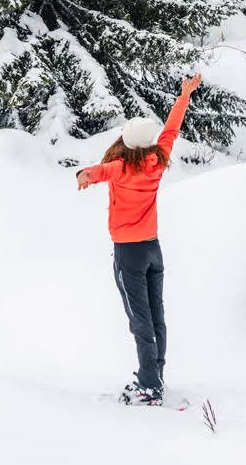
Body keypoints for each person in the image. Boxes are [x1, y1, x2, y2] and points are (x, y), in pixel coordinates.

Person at [76, 74, 202, 406]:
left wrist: (84, 176)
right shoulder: (157, 160)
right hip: (152, 250)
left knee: (139, 318)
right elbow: (172, 129)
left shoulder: (119, 167)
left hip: (128, 254)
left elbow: (95, 171)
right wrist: (184, 95)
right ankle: (156, 373)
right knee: (155, 313)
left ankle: (149, 386)